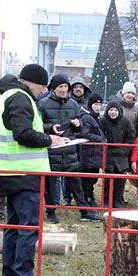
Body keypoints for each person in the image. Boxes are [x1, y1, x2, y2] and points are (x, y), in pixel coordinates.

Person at [0, 65, 66, 276]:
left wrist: (44, 132)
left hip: (9, 171)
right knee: (28, 227)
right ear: (33, 82)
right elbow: (22, 133)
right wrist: (49, 139)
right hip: (23, 173)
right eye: (43, 86)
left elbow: (19, 128)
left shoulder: (9, 96)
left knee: (14, 225)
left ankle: (11, 274)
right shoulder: (22, 98)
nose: (43, 91)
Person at [38, 74, 101, 223]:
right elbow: (38, 125)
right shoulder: (42, 104)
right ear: (54, 88)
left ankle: (84, 211)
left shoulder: (73, 104)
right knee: (51, 185)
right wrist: (50, 127)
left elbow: (79, 126)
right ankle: (51, 211)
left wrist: (77, 124)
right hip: (52, 150)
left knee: (76, 184)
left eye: (66, 86)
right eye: (61, 87)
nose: (64, 89)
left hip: (70, 150)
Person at [100, 99, 136, 208]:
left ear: (119, 111)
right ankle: (106, 200)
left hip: (121, 155)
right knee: (107, 180)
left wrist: (125, 150)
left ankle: (117, 200)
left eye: (115, 110)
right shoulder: (103, 121)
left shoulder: (125, 121)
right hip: (108, 154)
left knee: (121, 180)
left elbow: (131, 136)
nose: (113, 112)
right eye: (111, 110)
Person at [79, 94, 107, 207]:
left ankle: (89, 198)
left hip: (94, 154)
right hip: (88, 154)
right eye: (96, 104)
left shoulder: (96, 117)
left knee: (93, 178)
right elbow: (85, 134)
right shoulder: (87, 117)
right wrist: (102, 139)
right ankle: (87, 200)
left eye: (100, 105)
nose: (98, 107)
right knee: (88, 180)